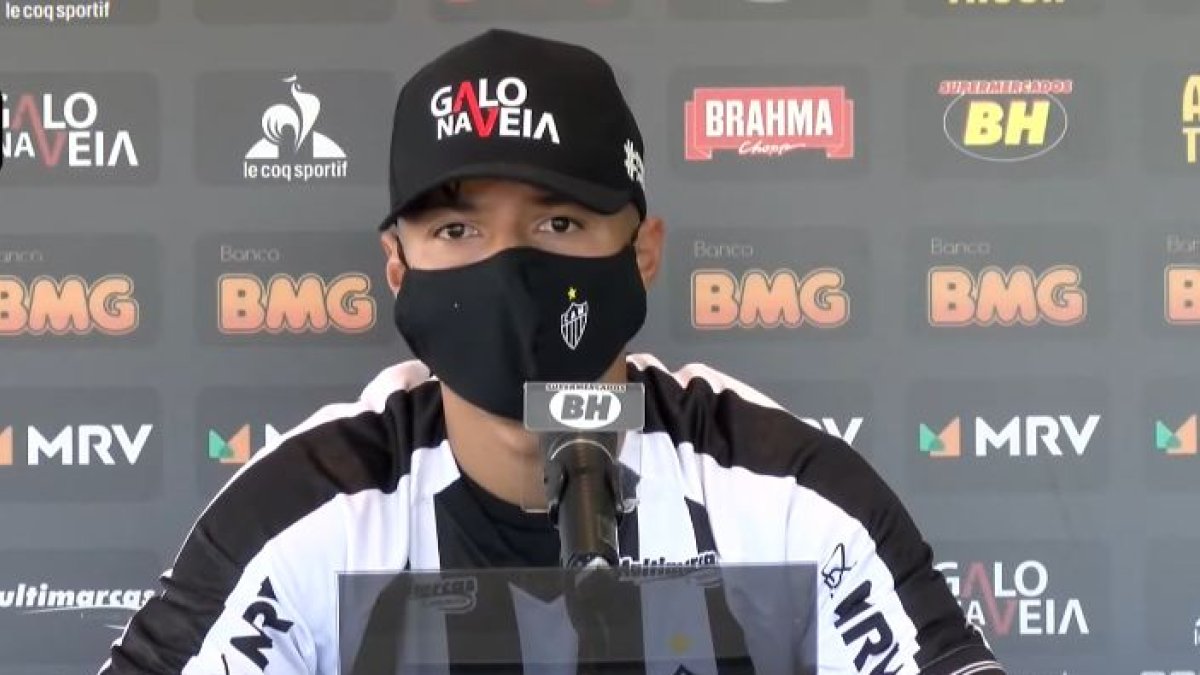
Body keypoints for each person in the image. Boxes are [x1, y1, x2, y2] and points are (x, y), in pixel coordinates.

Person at [98, 28, 1005, 675]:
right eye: (456, 228)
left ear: (643, 250)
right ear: (396, 267)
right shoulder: (304, 512)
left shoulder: (790, 492)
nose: (510, 268)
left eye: (560, 221)